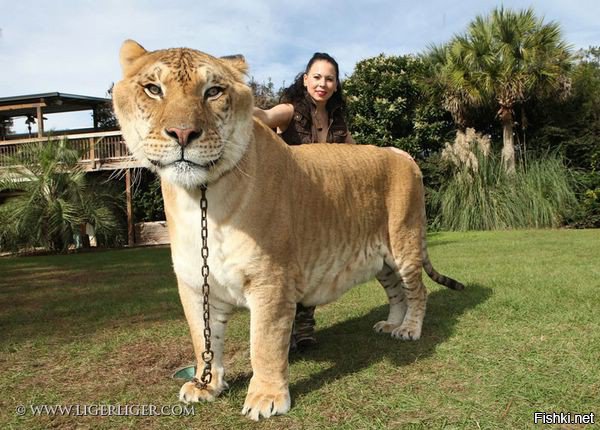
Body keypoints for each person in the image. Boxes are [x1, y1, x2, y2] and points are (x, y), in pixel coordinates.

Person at [253, 52, 352, 352]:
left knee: (311, 265)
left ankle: (304, 324)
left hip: (321, 205)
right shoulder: (290, 110)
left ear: (336, 85)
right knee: (285, 268)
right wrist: (242, 107)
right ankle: (285, 330)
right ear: (306, 79)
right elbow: (265, 117)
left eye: (329, 79)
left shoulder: (337, 121)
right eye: (317, 77)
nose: (323, 83)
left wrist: (389, 152)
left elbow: (358, 153)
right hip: (287, 203)